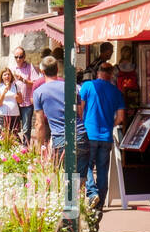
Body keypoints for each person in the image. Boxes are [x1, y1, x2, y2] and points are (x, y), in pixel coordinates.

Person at [78, 62, 127, 221]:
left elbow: (80, 109)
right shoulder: (116, 92)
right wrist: (109, 125)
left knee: (86, 166)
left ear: (97, 72)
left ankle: (92, 193)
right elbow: (120, 118)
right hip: (105, 137)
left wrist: (84, 122)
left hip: (89, 133)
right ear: (111, 73)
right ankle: (99, 206)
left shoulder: (87, 86)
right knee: (102, 170)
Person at [31, 57, 68, 162]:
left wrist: (40, 148)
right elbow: (80, 112)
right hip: (80, 135)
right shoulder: (70, 87)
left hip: (60, 136)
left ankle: (72, 178)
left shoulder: (39, 91)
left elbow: (39, 124)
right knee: (76, 174)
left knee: (61, 172)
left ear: (42, 72)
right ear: (57, 69)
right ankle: (77, 179)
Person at [8, 47, 36, 140]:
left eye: (20, 57)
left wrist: (22, 79)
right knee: (13, 128)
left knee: (26, 128)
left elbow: (35, 83)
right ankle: (15, 146)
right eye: (16, 57)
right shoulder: (11, 68)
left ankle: (26, 148)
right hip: (14, 102)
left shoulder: (30, 67)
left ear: (24, 57)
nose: (18, 59)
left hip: (27, 103)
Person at [0, 66, 21, 134]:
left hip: (14, 115)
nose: (7, 76)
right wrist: (4, 93)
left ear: (11, 76)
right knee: (2, 135)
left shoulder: (16, 86)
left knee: (14, 136)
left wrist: (16, 97)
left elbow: (21, 101)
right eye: (5, 75)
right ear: (2, 77)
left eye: (8, 74)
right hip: (3, 115)